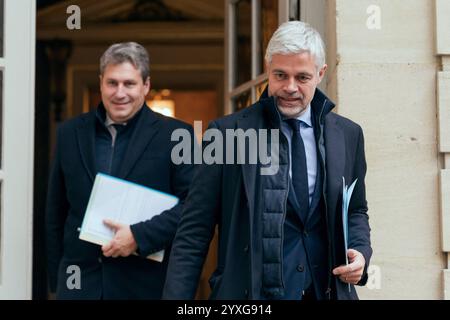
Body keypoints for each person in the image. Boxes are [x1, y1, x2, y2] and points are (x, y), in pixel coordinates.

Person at [163, 21, 371, 300]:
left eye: (302, 77)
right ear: (267, 69)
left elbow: (355, 209)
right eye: (280, 75)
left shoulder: (348, 134)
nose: (290, 87)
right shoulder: (226, 134)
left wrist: (361, 252)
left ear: (320, 73)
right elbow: (194, 231)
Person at [46, 42, 195, 299]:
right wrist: (57, 284)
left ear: (146, 85)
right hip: (79, 286)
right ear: (101, 82)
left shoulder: (177, 135)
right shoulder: (69, 133)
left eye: (129, 83)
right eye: (112, 83)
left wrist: (139, 236)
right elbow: (55, 214)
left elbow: (193, 207)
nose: (119, 93)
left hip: (143, 286)